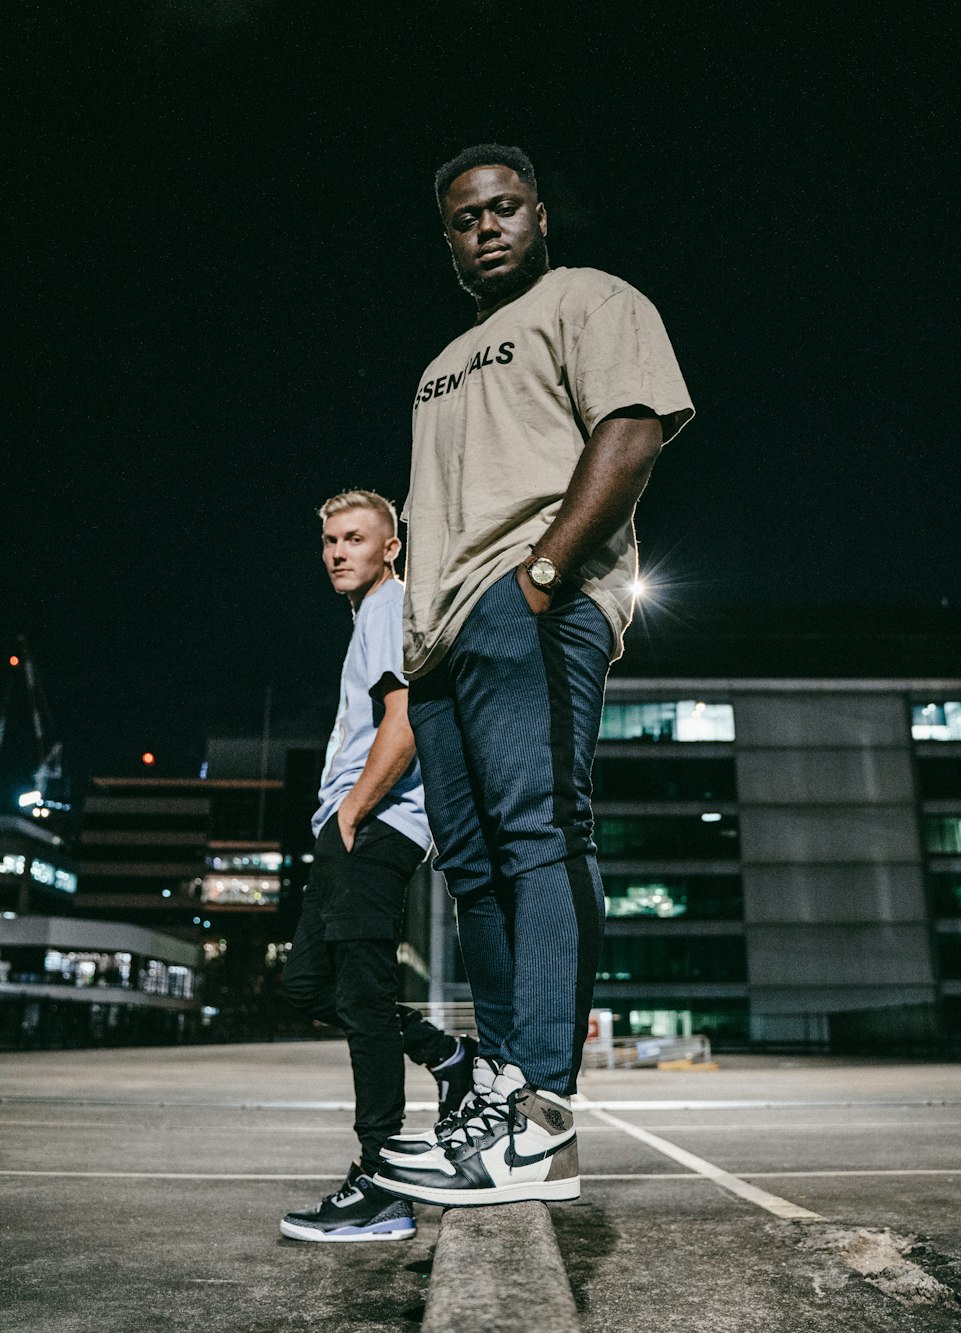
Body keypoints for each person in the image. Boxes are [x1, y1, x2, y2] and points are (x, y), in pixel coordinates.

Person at [373, 145, 694, 1207]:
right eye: (464, 220)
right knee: (473, 875)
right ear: (449, 243)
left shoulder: (588, 297)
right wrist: (414, 653)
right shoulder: (433, 368)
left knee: (541, 833)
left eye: (504, 207)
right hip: (441, 644)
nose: (486, 228)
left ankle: (541, 1114)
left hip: (529, 607)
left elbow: (634, 427)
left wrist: (543, 578)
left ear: (541, 214)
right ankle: (496, 1107)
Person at [280, 489, 476, 1242]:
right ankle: (448, 1056)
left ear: (390, 547)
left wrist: (355, 812)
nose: (336, 551)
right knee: (309, 985)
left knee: (362, 995)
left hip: (377, 826)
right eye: (329, 539)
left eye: (354, 537)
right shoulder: (370, 618)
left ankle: (381, 1184)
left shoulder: (391, 608)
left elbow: (404, 726)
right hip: (347, 830)